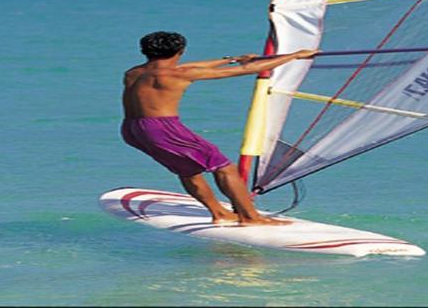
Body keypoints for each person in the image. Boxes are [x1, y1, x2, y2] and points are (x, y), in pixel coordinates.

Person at [121, 31, 317, 225]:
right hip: (163, 129)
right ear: (180, 51)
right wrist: (294, 56)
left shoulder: (134, 72)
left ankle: (219, 213)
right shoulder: (178, 74)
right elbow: (247, 70)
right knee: (225, 168)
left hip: (132, 129)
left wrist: (232, 59)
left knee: (188, 170)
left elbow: (191, 67)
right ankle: (251, 217)